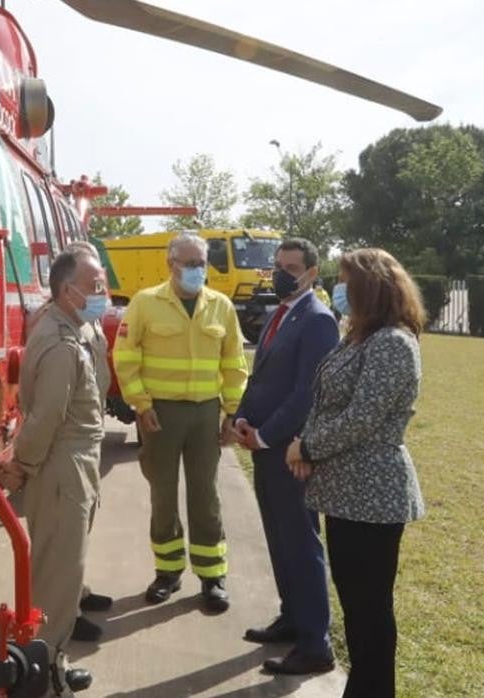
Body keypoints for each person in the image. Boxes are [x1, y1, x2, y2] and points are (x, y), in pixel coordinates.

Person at [286, 248, 426, 698]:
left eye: (345, 280)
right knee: (356, 608)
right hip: (347, 492)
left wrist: (306, 445)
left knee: (370, 613)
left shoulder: (393, 342)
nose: (338, 289)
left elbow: (361, 418)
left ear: (370, 286)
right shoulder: (359, 337)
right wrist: (305, 441)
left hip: (375, 494)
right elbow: (325, 398)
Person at [112, 233, 248, 610]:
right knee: (163, 494)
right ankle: (168, 573)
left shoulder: (221, 306)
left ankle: (212, 575)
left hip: (206, 413)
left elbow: (234, 362)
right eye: (188, 263)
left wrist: (230, 411)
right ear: (170, 264)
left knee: (206, 495)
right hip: (161, 414)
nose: (196, 270)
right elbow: (125, 355)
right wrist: (140, 403)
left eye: (201, 262)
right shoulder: (145, 303)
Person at [0, 248, 110, 696]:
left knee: (63, 566)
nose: (102, 294)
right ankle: (46, 676)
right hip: (64, 466)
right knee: (56, 578)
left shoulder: (74, 325)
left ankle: (47, 659)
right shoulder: (62, 344)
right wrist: (20, 467)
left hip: (76, 460)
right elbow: (44, 419)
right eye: (95, 285)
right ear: (69, 291)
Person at [233, 238, 340, 675]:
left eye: (292, 267)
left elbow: (306, 394)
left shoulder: (318, 320)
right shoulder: (281, 312)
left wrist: (265, 436)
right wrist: (241, 417)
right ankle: (292, 618)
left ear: (313, 273)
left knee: (300, 542)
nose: (281, 273)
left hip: (287, 451)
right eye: (279, 265)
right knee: (278, 538)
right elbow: (260, 378)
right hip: (262, 445)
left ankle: (315, 643)